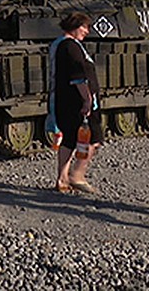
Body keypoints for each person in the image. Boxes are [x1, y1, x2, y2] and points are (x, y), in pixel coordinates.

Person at [49, 12, 103, 194]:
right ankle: (77, 175)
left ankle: (62, 178)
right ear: (74, 26)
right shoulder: (71, 46)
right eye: (84, 27)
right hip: (77, 102)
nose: (87, 31)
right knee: (93, 139)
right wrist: (87, 100)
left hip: (64, 99)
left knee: (70, 139)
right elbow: (79, 76)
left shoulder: (59, 44)